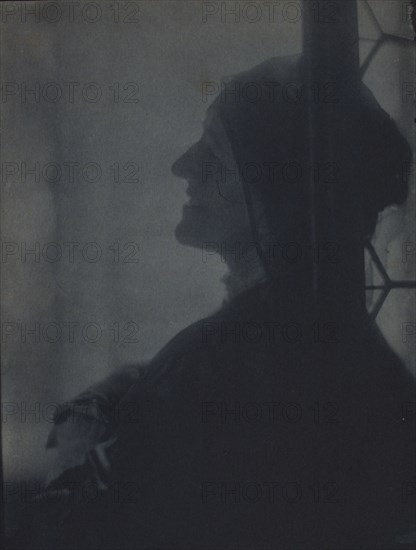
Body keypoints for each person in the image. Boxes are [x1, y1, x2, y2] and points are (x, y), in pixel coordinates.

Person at [14, 55, 416, 549]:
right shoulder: (362, 356)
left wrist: (77, 446)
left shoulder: (210, 365)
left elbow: (71, 535)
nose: (183, 165)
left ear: (276, 200)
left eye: (215, 154)